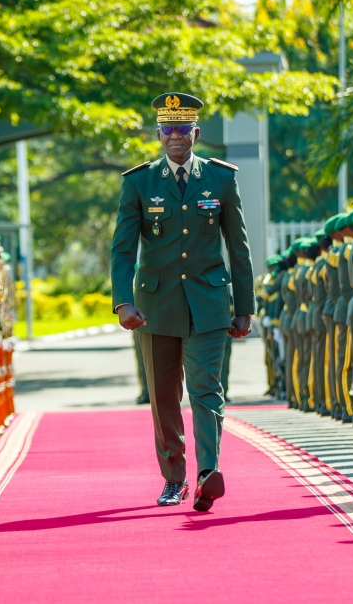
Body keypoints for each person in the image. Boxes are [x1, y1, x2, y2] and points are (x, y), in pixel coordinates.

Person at [111, 92, 253, 511]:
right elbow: (122, 250)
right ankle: (174, 478)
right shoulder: (138, 182)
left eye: (184, 128)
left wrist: (244, 307)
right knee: (164, 397)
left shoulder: (222, 178)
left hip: (209, 304)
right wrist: (123, 303)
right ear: (159, 134)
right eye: (168, 129)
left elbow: (238, 248)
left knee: (208, 391)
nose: (176, 136)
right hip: (154, 309)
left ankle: (208, 473)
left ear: (196, 132)